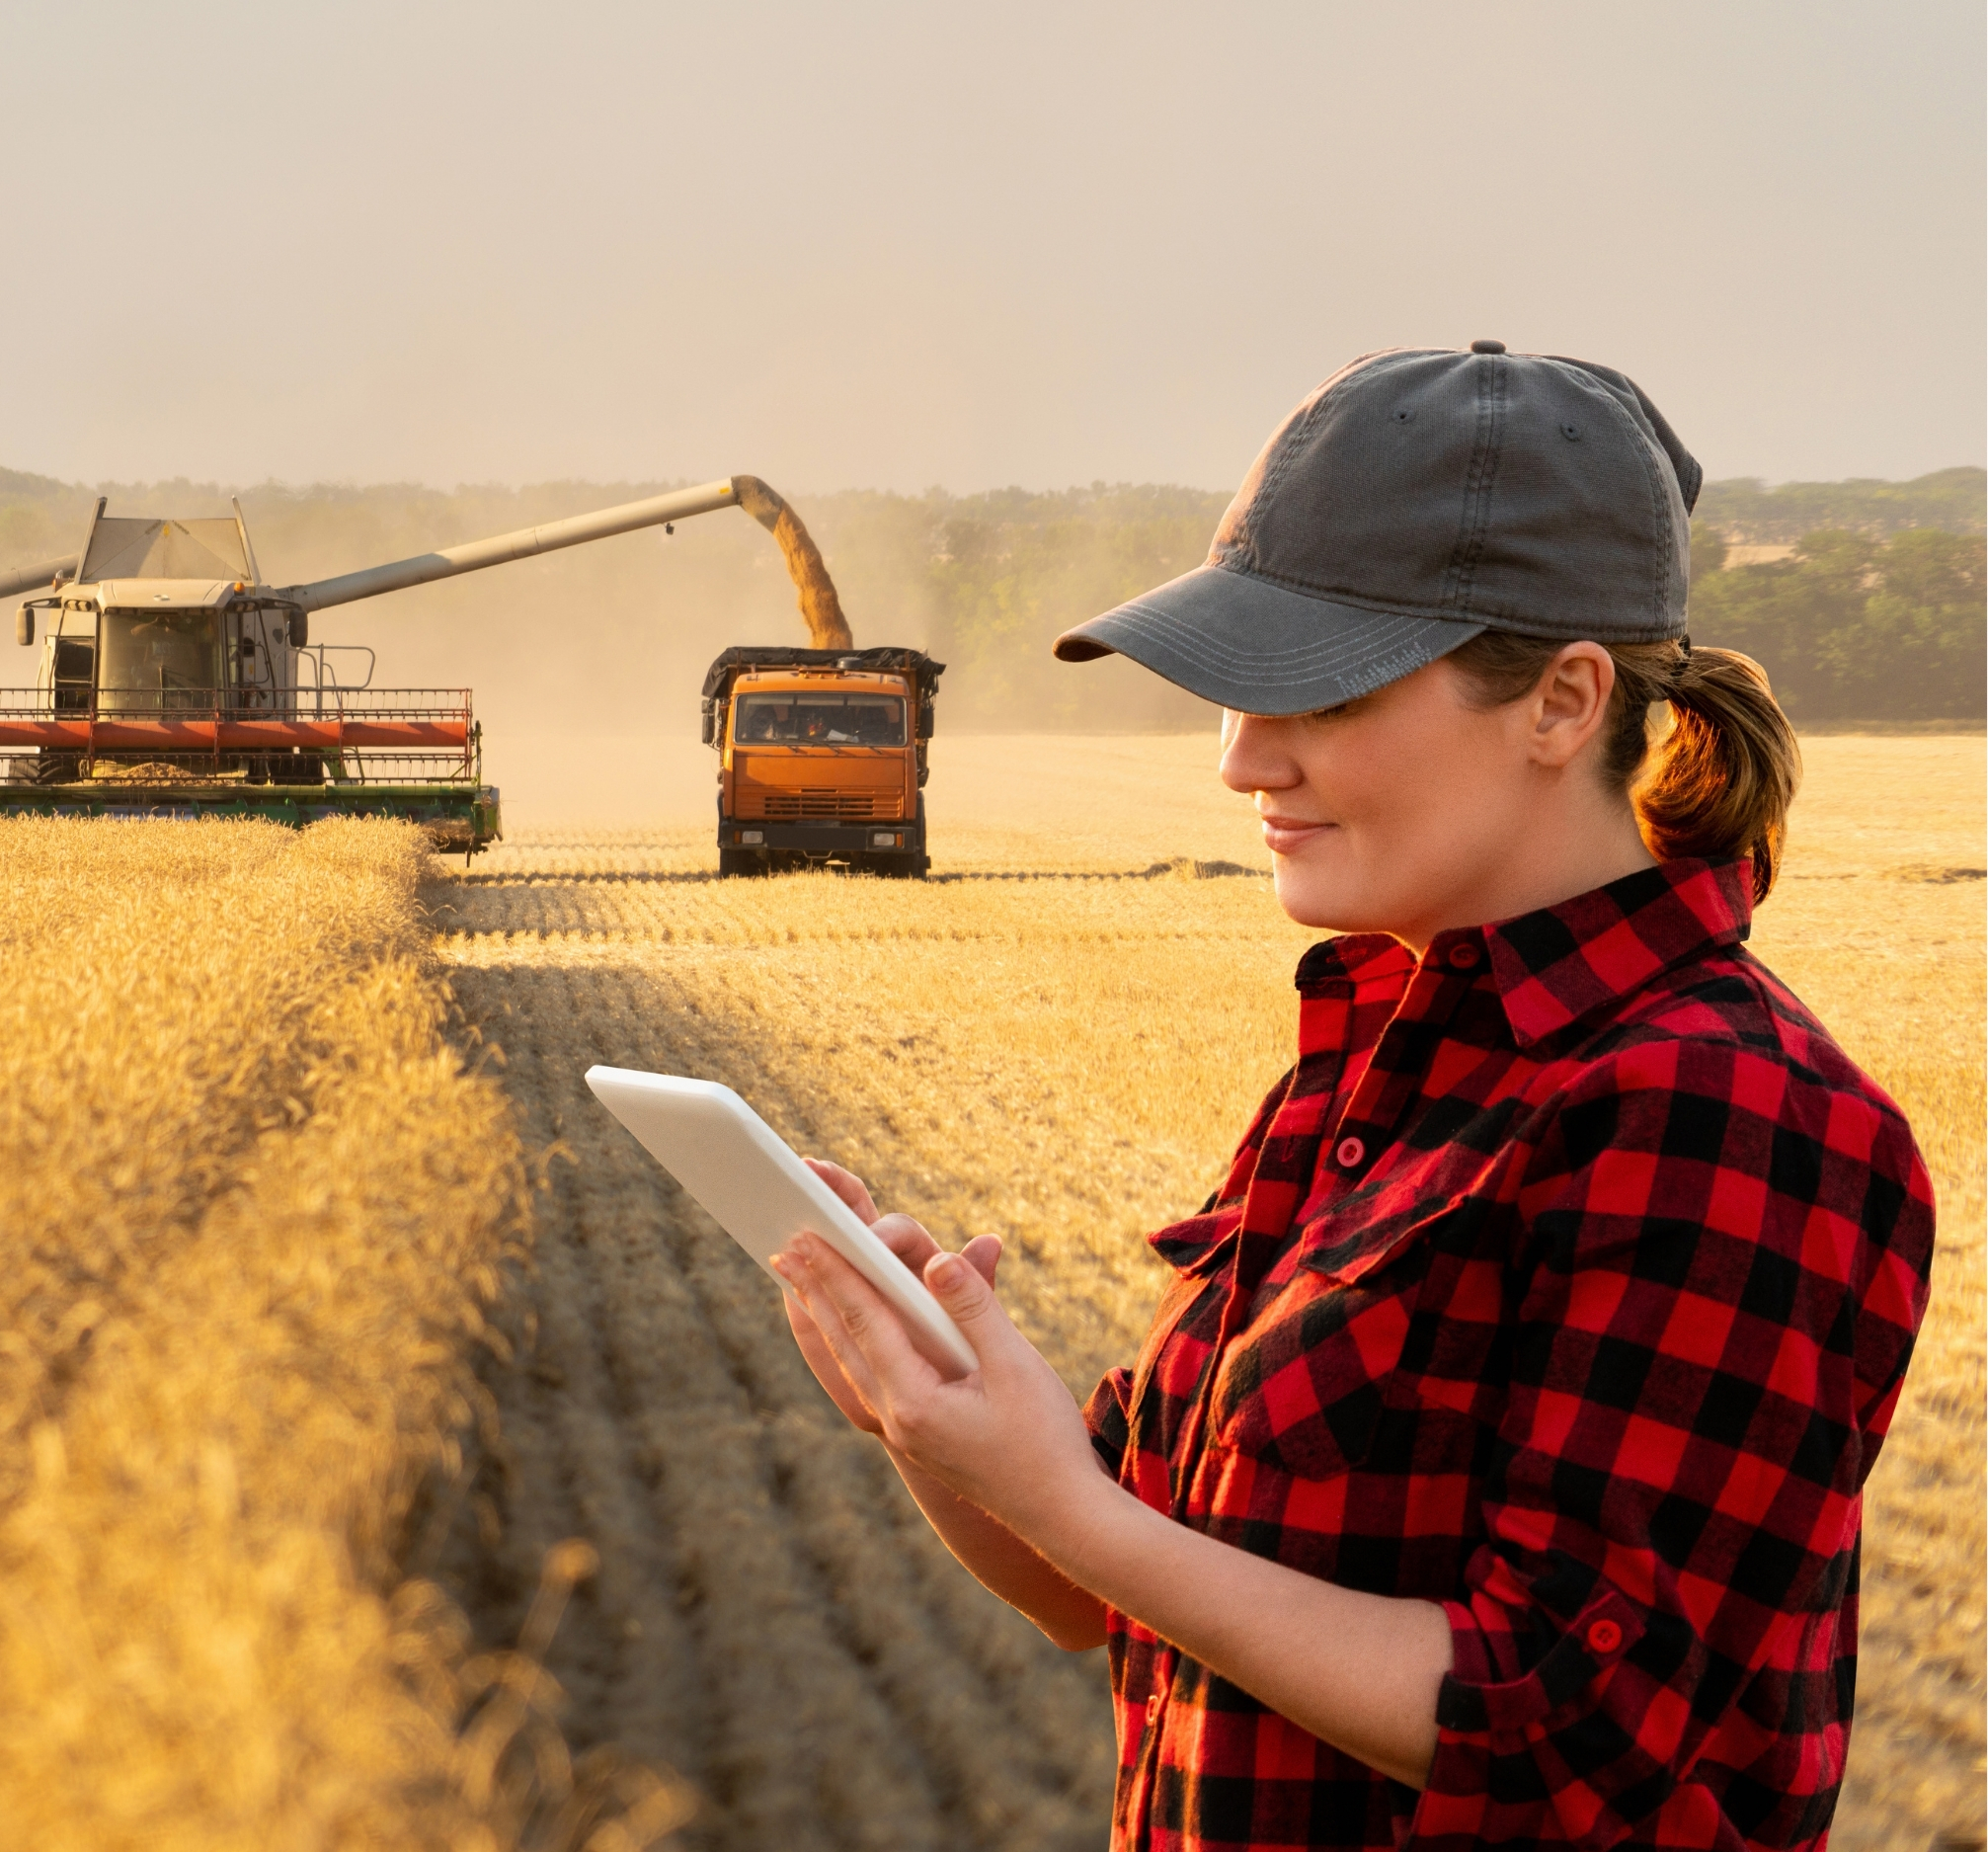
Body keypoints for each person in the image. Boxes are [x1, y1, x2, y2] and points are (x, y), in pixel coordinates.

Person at [769, 343, 1934, 1850]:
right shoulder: (1387, 1059)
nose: (1241, 761)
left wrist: (1067, 1504)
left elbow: (1556, 1731)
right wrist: (926, 1411)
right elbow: (1104, 1581)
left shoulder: (1725, 1113)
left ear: (1562, 701)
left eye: (1313, 693)